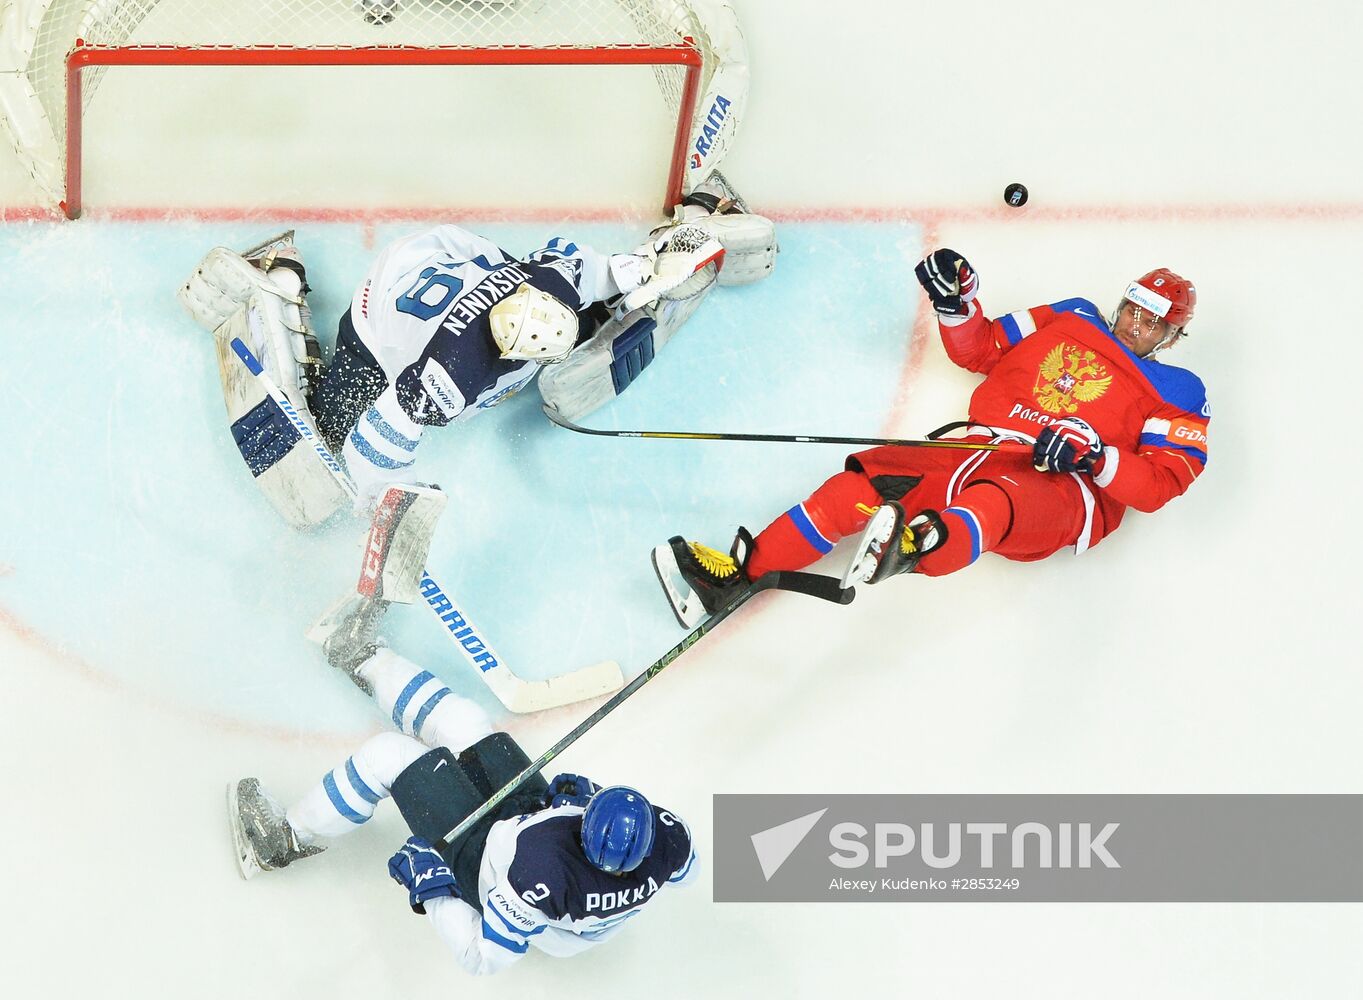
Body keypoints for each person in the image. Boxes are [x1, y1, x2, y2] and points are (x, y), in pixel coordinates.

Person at [651, 248, 1210, 625]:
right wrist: (957, 306)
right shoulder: (1071, 314)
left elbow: (1159, 485)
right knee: (854, 490)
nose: (1134, 324)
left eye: (1151, 321)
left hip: (1061, 488)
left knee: (994, 503)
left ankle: (912, 547)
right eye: (1133, 309)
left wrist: (1097, 456)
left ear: (1173, 335)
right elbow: (982, 348)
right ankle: (736, 578)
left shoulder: (1180, 390)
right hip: (977, 448)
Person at [228, 612, 698, 976]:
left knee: (391, 756)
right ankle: (362, 655)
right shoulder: (670, 844)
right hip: (533, 829)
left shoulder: (536, 873)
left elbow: (482, 956)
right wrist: (581, 800)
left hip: (490, 868)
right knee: (463, 721)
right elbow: (688, 872)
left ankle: (280, 840)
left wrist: (435, 889)